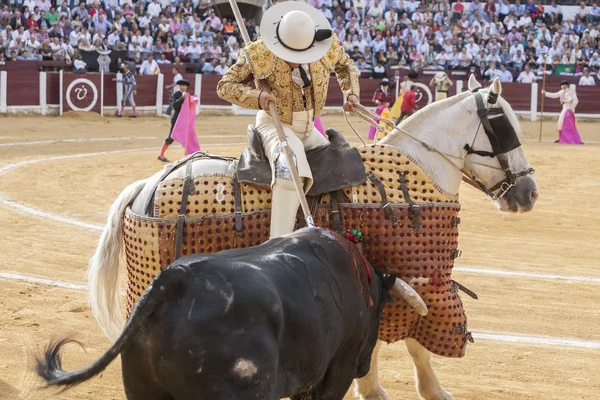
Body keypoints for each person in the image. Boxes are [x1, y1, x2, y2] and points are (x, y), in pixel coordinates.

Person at [216, 2, 359, 238]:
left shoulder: (326, 46)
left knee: (341, 166)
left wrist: (351, 92)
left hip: (309, 128)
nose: (296, 59)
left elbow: (346, 66)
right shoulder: (259, 52)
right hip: (275, 124)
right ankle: (278, 242)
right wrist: (258, 96)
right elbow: (225, 86)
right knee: (289, 168)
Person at [158, 79, 191, 161]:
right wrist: (182, 98)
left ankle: (189, 155)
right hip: (176, 119)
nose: (183, 87)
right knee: (171, 137)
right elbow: (175, 106)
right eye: (182, 85)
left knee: (187, 136)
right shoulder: (176, 94)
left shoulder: (187, 95)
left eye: (185, 86)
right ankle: (161, 155)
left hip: (183, 119)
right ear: (179, 86)